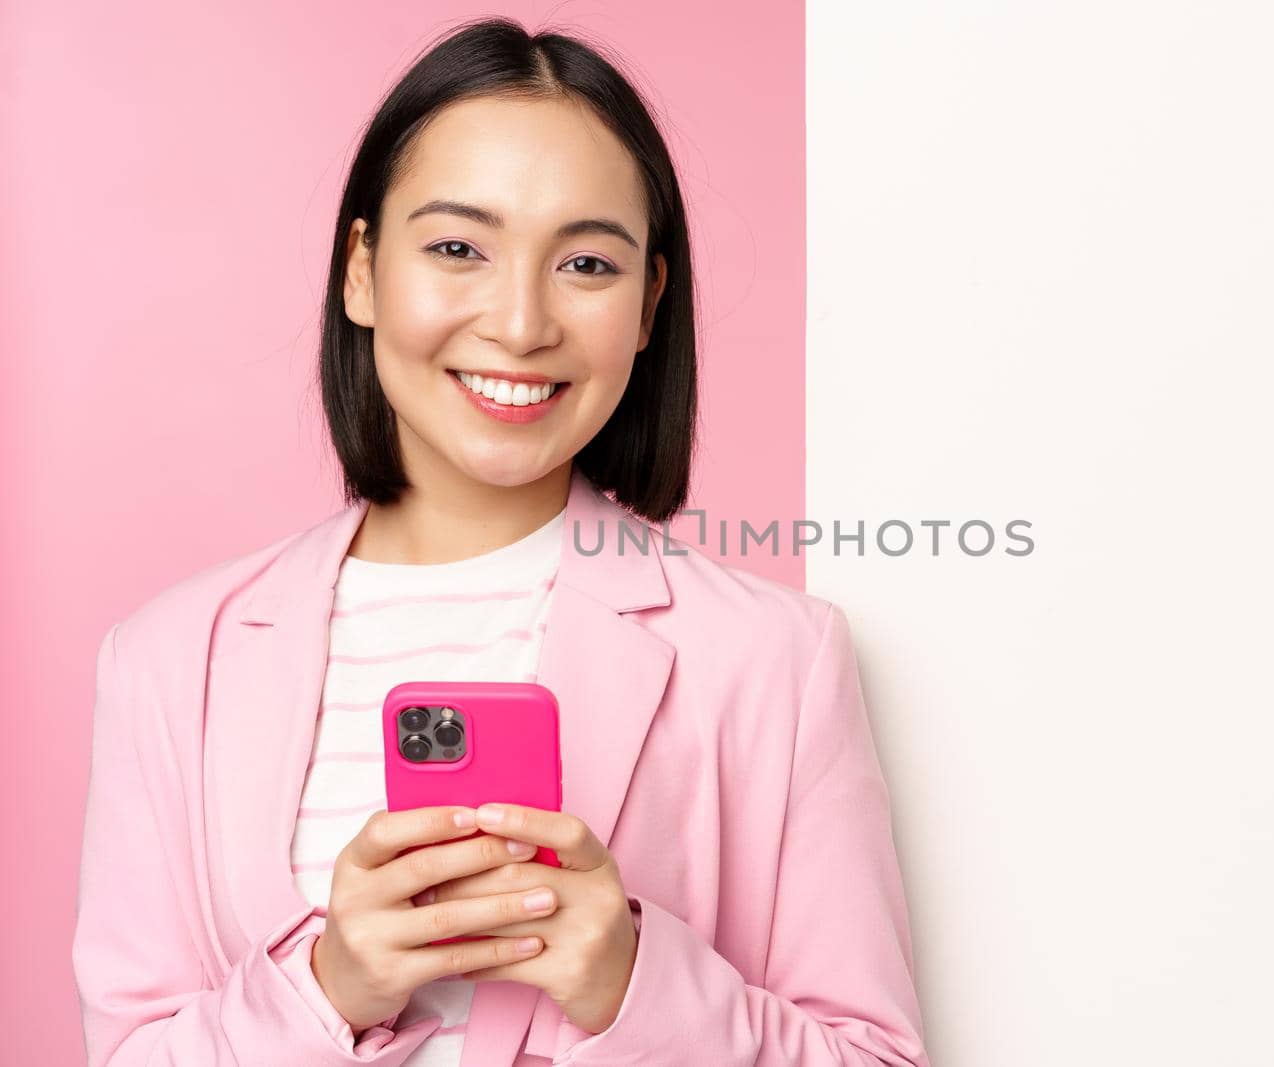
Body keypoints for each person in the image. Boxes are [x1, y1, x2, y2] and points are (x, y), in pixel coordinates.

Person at [70, 17, 928, 1067]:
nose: (521, 323)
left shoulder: (775, 658)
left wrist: (632, 983)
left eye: (586, 262)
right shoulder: (169, 658)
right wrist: (329, 990)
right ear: (361, 272)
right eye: (456, 247)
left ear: (650, 304)